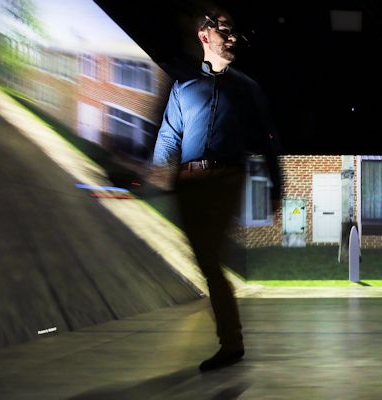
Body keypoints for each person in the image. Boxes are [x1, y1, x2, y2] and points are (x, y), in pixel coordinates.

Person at [150, 9, 281, 372]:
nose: (234, 37)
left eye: (234, 32)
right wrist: (160, 167)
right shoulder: (184, 88)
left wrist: (276, 188)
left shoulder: (247, 89)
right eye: (225, 30)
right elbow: (169, 133)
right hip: (188, 181)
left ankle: (232, 342)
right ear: (204, 36)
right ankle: (231, 340)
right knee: (207, 263)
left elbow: (270, 140)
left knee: (209, 259)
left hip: (227, 178)